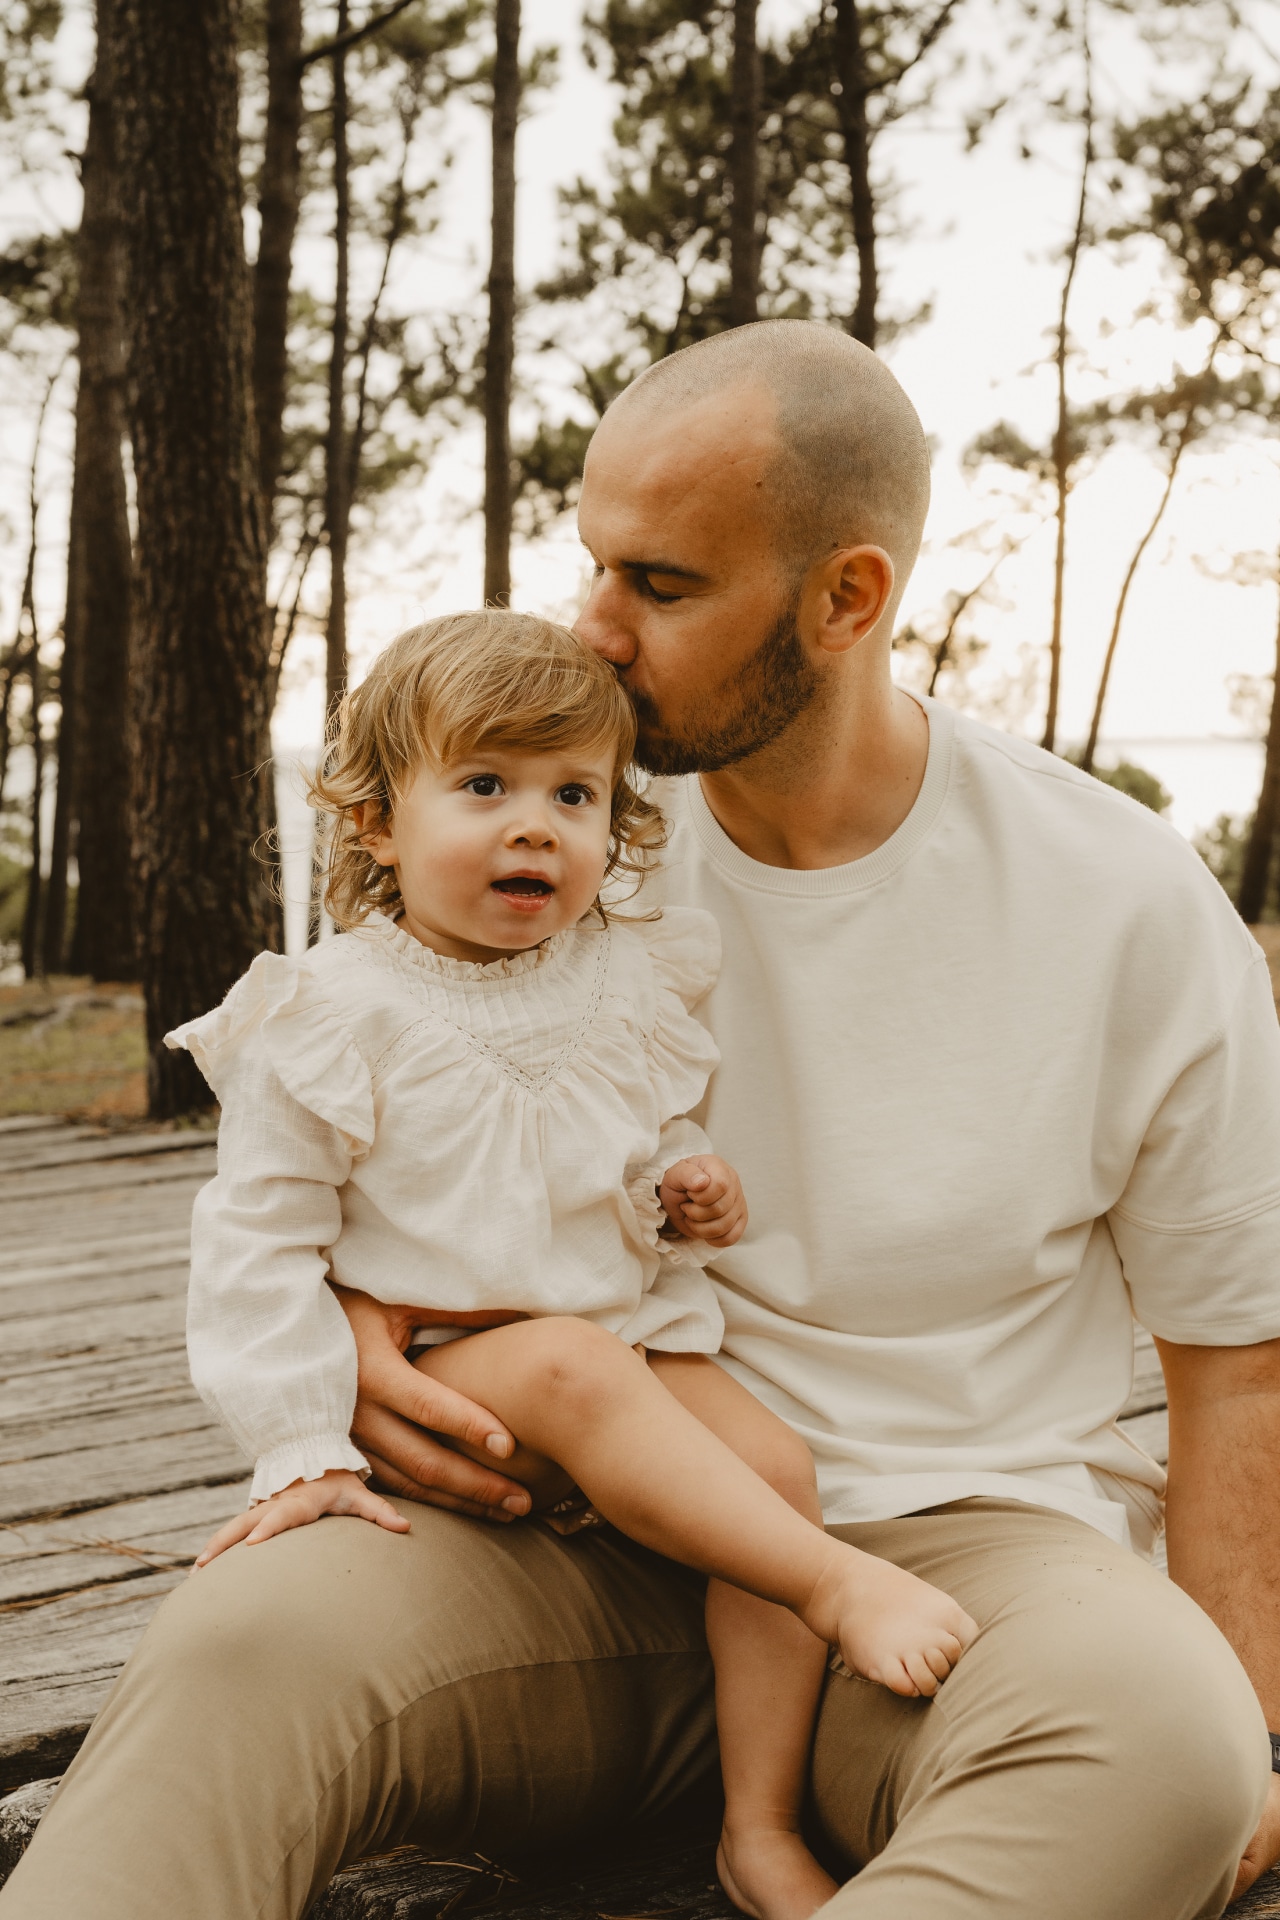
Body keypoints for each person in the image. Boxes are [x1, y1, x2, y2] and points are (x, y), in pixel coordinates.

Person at [5, 320, 1280, 1920]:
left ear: (847, 598)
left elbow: (1237, 1366)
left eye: (661, 587)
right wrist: (355, 1337)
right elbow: (344, 1156)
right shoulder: (523, 839)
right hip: (558, 1541)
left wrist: (1258, 1733)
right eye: (593, 561)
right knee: (243, 1639)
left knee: (1167, 1745)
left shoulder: (1123, 898)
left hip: (962, 1568)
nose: (593, 632)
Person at [164, 609, 976, 1920]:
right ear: (377, 822)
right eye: (483, 786)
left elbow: (630, 1150)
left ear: (614, 825)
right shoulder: (330, 1012)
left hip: (629, 1342)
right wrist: (298, 1441)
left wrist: (684, 1189)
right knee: (571, 1361)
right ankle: (836, 1585)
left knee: (773, 1466)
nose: (534, 824)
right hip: (457, 1362)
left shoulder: (621, 977)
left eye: (574, 793)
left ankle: (757, 1824)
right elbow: (257, 1241)